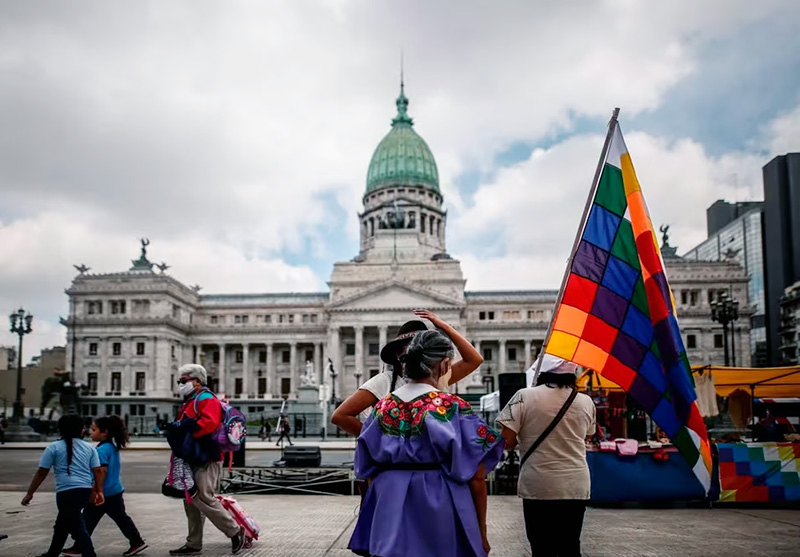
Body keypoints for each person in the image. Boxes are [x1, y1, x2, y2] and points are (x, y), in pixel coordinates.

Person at [496, 355, 596, 557]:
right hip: (575, 483)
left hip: (539, 483)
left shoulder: (523, 396)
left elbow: (506, 441)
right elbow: (589, 434)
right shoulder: (586, 401)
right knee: (570, 545)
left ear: (542, 372)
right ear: (573, 374)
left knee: (541, 547)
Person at [332, 309, 483, 436]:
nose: (413, 351)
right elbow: (341, 416)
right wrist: (377, 440)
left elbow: (474, 360)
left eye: (418, 346)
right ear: (398, 355)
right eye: (407, 347)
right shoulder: (384, 381)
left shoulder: (438, 378)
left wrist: (445, 327)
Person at [169, 364, 245, 556]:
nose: (180, 384)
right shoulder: (191, 400)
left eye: (183, 381)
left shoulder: (206, 398)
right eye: (179, 381)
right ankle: (193, 543)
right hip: (192, 456)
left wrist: (184, 428)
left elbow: (208, 424)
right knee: (190, 500)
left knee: (204, 497)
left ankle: (235, 530)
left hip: (207, 456)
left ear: (197, 381)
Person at [21, 414, 105, 557]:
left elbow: (41, 473)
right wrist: (99, 490)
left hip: (65, 492)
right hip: (83, 491)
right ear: (81, 430)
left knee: (77, 525)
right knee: (62, 524)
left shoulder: (53, 447)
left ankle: (90, 554)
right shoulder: (89, 448)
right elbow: (97, 471)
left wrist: (30, 493)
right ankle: (52, 553)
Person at [62, 416, 147, 556]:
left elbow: (101, 471)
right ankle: (80, 546)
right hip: (113, 490)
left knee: (93, 519)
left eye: (94, 429)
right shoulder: (110, 446)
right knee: (92, 519)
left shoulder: (102, 450)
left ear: (105, 432)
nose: (91, 431)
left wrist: (96, 490)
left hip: (105, 493)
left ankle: (136, 541)